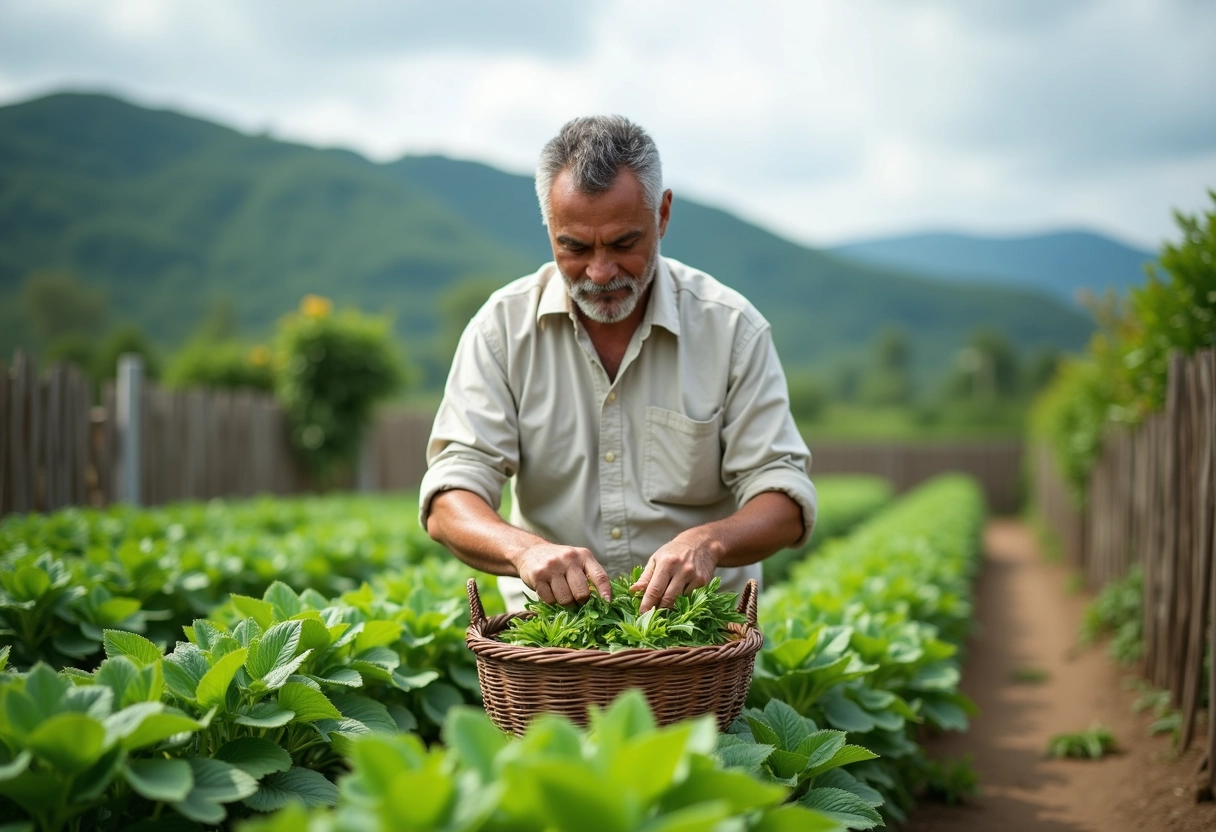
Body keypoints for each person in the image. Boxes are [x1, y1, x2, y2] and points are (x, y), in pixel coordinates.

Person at [420, 115, 816, 614]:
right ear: (549, 228)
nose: (601, 271)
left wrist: (709, 543)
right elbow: (449, 495)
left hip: (698, 641)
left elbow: (784, 498)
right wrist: (524, 550)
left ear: (662, 215)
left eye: (624, 244)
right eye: (575, 247)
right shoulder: (501, 329)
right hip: (552, 640)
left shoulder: (731, 328)